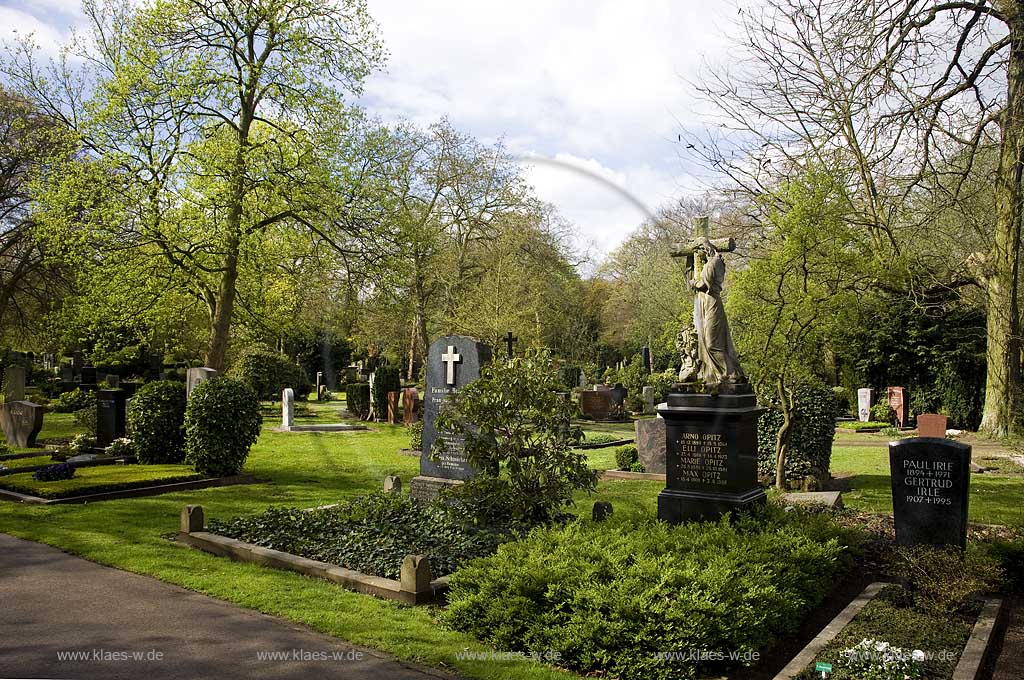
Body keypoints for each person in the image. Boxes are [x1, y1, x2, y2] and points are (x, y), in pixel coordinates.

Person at [689, 237, 745, 385]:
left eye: (699, 249)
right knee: (710, 342)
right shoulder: (715, 262)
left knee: (712, 344)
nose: (698, 254)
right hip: (707, 303)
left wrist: (694, 283)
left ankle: (730, 373)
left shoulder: (713, 262)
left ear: (706, 248)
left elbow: (704, 283)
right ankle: (722, 374)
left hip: (712, 303)